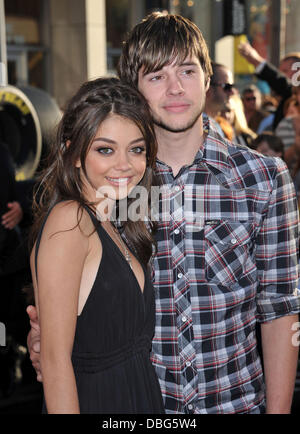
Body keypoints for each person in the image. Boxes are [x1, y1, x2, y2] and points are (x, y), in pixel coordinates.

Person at [28, 12, 300, 414]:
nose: (175, 88)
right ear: (133, 89)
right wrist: (49, 344)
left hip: (237, 404)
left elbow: (280, 311)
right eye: (156, 76)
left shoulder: (263, 179)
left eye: (187, 70)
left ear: (208, 78)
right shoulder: (112, 186)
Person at [27, 77, 165, 414]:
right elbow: (56, 364)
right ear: (73, 153)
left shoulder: (111, 221)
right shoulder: (69, 222)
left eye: (136, 149)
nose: (125, 164)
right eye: (105, 149)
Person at [238, 41, 300, 130]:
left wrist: (257, 62)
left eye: (285, 71)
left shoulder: (291, 91)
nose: (281, 74)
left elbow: (281, 82)